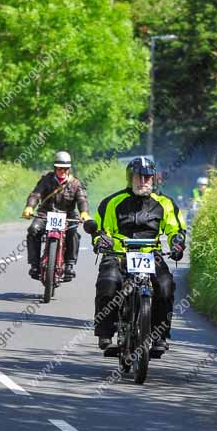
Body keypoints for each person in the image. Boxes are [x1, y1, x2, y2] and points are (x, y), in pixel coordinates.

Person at [89, 156, 186, 354]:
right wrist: (101, 240)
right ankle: (105, 332)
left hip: (151, 255)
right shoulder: (112, 202)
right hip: (118, 254)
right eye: (138, 177)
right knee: (107, 282)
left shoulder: (166, 203)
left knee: (165, 286)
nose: (143, 181)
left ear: (154, 179)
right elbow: (101, 229)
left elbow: (176, 230)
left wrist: (177, 244)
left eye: (147, 177)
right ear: (130, 178)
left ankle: (159, 335)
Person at [22, 151, 90, 281]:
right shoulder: (46, 180)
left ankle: (69, 264)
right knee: (33, 230)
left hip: (67, 215)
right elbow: (36, 194)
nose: (62, 171)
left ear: (69, 169)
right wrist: (30, 206)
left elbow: (82, 199)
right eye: (60, 168)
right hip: (45, 213)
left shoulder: (75, 183)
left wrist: (84, 213)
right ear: (55, 168)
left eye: (65, 169)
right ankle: (34, 265)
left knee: (74, 233)